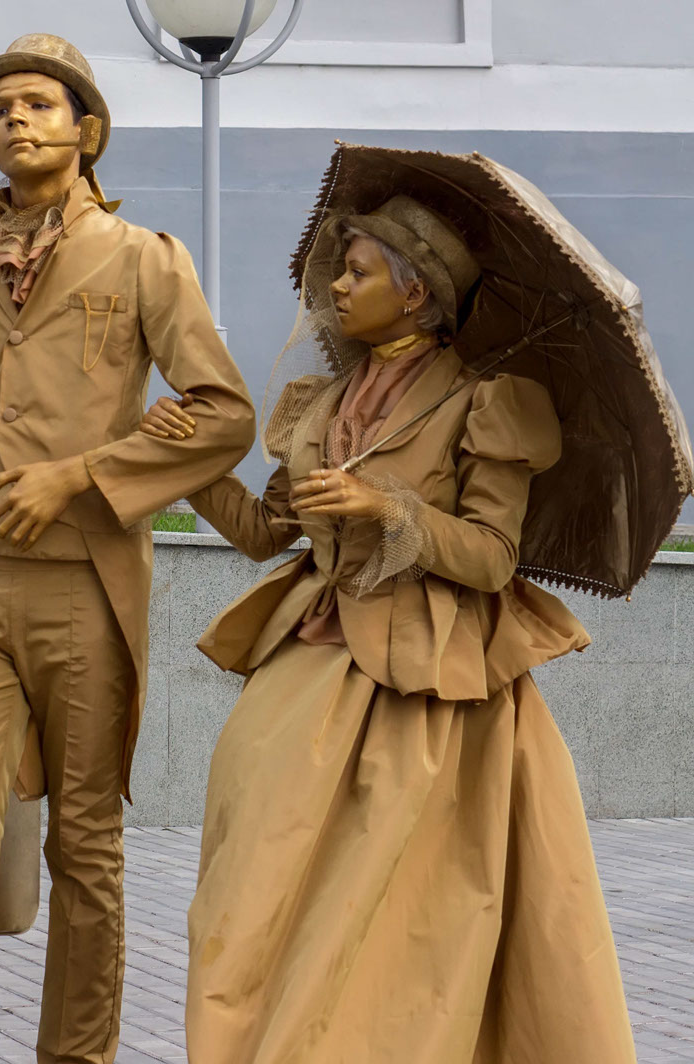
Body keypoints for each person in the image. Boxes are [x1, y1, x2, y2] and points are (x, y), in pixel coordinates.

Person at [142, 195, 638, 1062]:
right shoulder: (321, 402)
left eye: (357, 272)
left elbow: (492, 557)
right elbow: (264, 531)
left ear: (415, 295)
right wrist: (183, 458)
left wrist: (388, 508)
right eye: (340, 271)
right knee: (246, 893)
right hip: (306, 671)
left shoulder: (488, 404)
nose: (335, 287)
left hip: (429, 693)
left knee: (402, 920)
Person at [0, 33, 256, 1064]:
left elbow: (223, 414)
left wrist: (79, 474)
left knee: (84, 844)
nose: (15, 120)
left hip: (87, 584)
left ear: (87, 130)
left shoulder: (144, 258)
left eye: (38, 103)